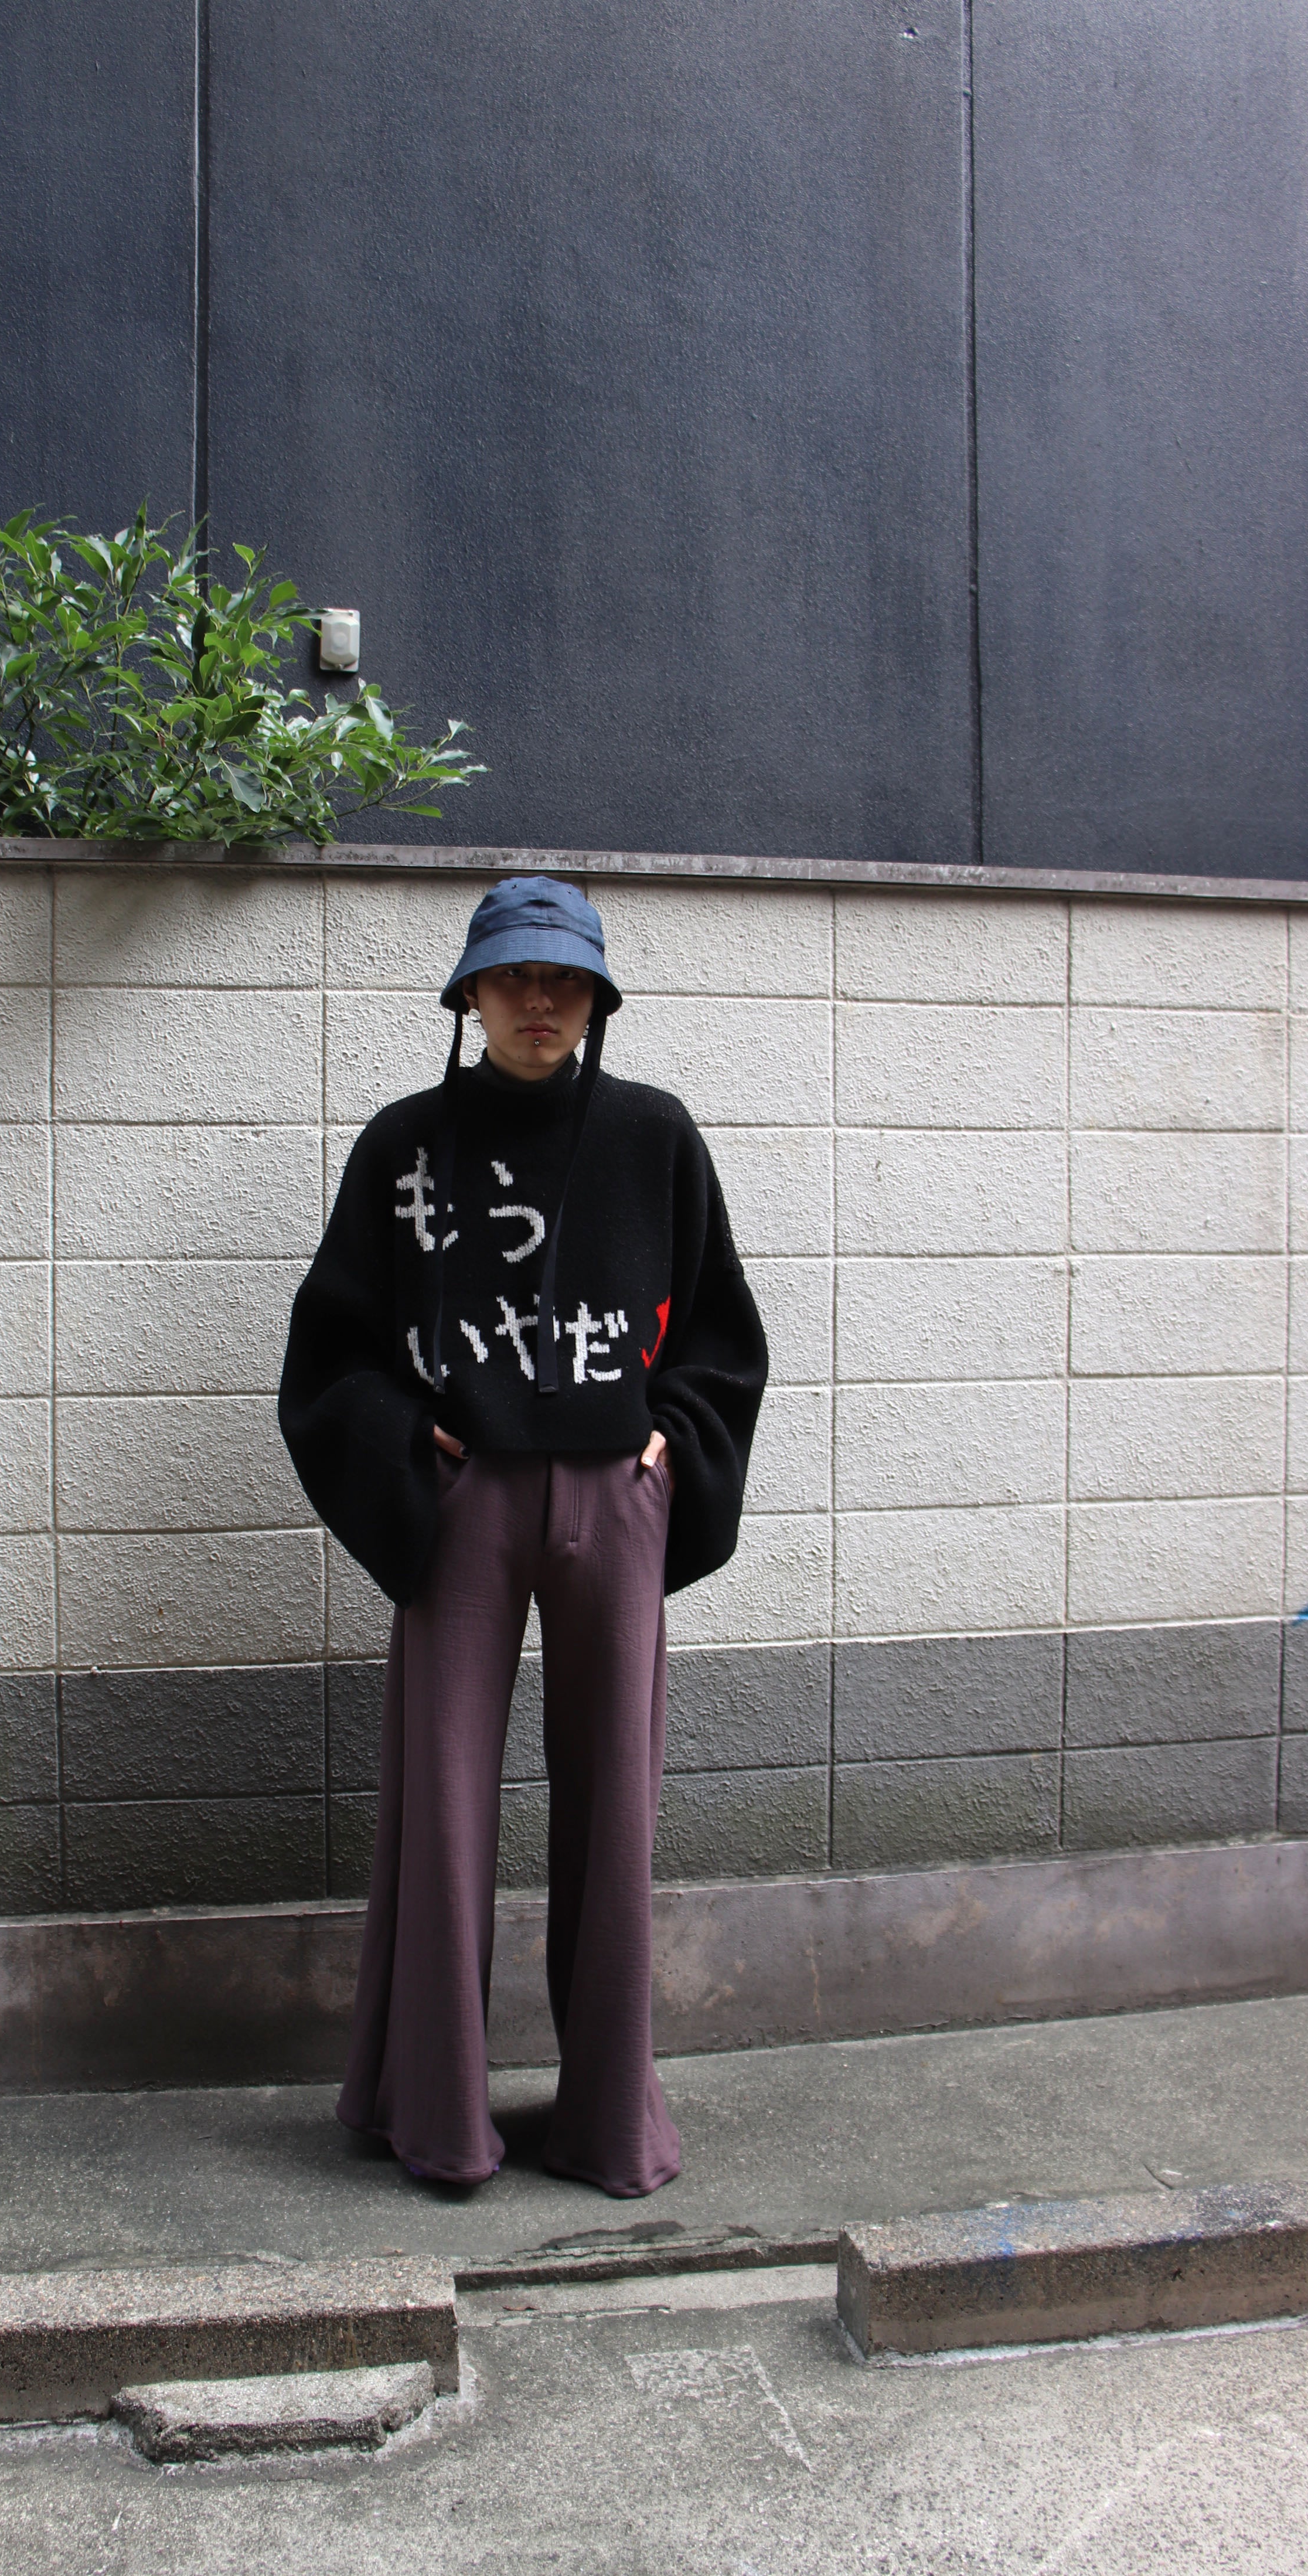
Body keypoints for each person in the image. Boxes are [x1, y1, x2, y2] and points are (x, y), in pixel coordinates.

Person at [278, 875, 767, 2196]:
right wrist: (404, 1445)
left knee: (617, 1812)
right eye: (513, 978)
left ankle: (609, 2124)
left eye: (564, 980)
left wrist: (676, 1440)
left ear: (597, 999)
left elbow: (721, 1328)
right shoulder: (405, 1145)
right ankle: (439, 2116)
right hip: (464, 1504)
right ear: (472, 995)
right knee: (441, 1811)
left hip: (615, 1495)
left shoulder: (656, 1137)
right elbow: (332, 1350)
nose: (538, 1001)